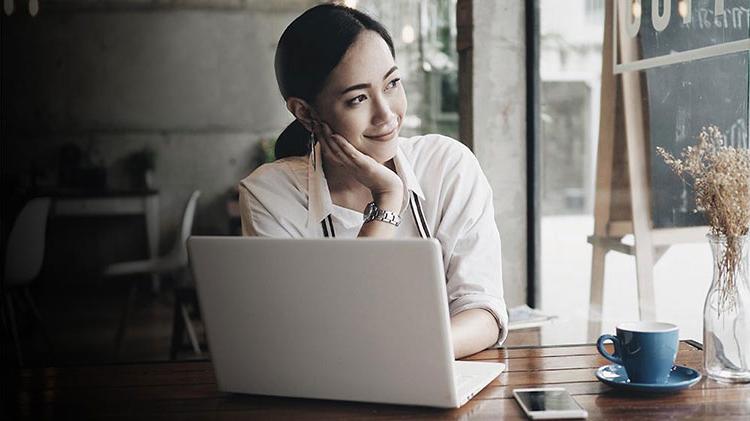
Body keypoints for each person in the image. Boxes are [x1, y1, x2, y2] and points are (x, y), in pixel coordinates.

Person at [239, 3, 507, 358]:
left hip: (437, 380)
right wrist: (387, 199)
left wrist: (401, 354)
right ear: (305, 112)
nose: (386, 114)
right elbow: (312, 340)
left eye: (392, 83)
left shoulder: (448, 166)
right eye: (358, 99)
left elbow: (483, 311)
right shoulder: (270, 196)